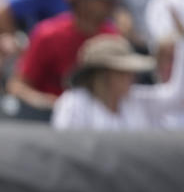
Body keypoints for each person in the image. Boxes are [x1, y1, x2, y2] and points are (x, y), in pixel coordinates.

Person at [7, 0, 122, 113]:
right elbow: (17, 86)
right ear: (81, 0)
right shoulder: (48, 34)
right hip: (51, 123)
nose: (111, 4)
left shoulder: (111, 35)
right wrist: (52, 105)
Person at [52, 34, 184, 130]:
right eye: (123, 72)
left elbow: (178, 98)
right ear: (104, 75)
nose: (132, 76)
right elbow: (66, 146)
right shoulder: (74, 103)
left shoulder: (137, 98)